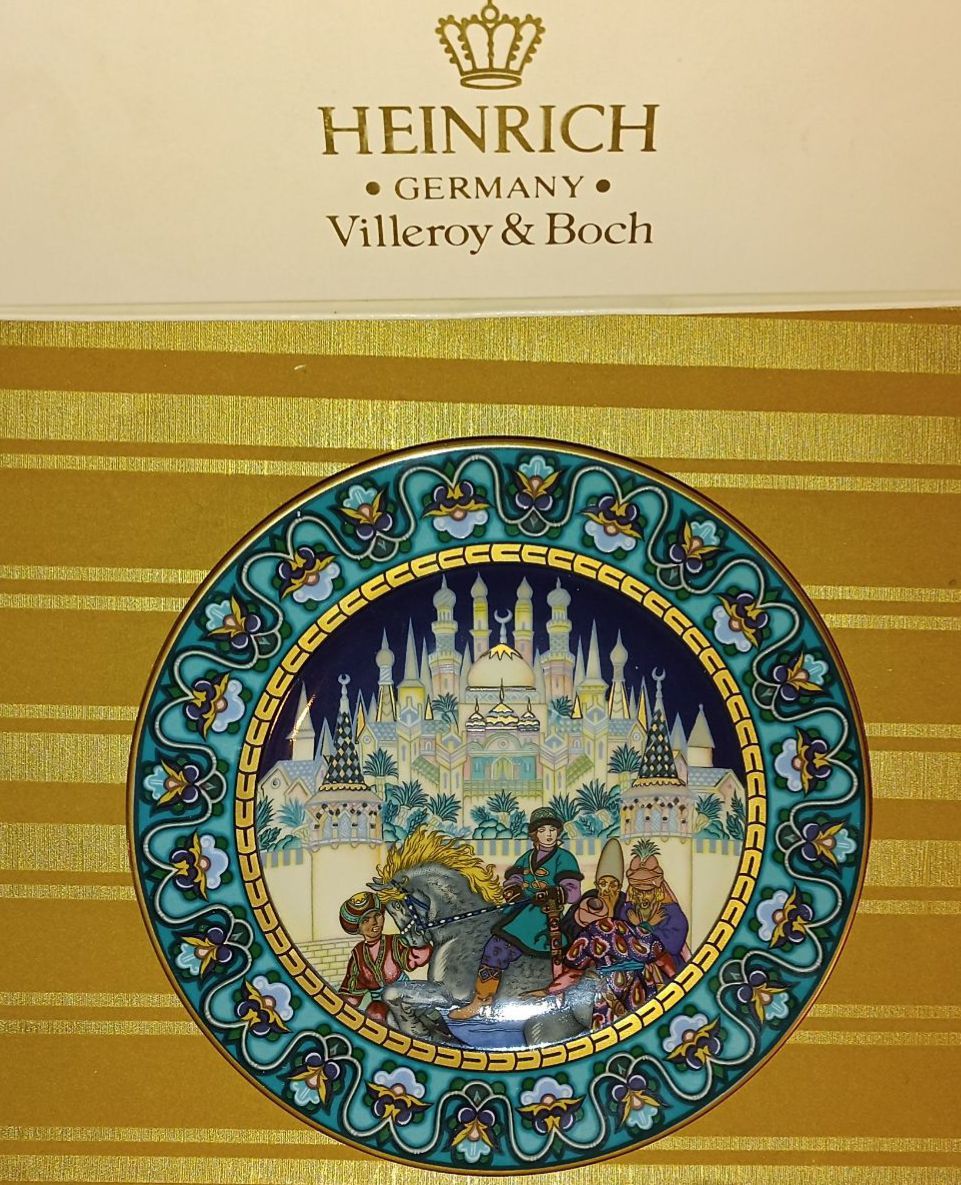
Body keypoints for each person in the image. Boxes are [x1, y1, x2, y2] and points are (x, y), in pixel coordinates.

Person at [448, 806, 583, 1020]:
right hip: (520, 910)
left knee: (497, 946)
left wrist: (554, 893)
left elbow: (573, 891)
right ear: (534, 834)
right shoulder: (527, 857)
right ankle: (481, 997)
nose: (548, 834)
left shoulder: (564, 858)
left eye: (552, 830)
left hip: (543, 917)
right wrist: (513, 889)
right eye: (542, 830)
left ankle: (481, 1001)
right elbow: (514, 878)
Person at [563, 894, 662, 1028]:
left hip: (612, 982)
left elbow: (572, 966)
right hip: (642, 978)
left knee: (610, 1025)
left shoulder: (587, 934)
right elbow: (657, 950)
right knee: (645, 1019)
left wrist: (550, 990)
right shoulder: (626, 926)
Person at [338, 891, 431, 1023]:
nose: (374, 922)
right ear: (357, 927)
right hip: (379, 1006)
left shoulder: (394, 942)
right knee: (375, 1014)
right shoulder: (358, 955)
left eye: (377, 915)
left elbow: (416, 958)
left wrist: (420, 942)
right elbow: (352, 993)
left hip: (405, 995)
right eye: (366, 920)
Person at [624, 853, 691, 986]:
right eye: (638, 892)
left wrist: (643, 927)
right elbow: (623, 942)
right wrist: (648, 925)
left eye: (648, 891)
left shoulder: (671, 913)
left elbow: (672, 946)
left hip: (668, 972)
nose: (642, 896)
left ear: (657, 892)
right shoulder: (627, 911)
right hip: (633, 973)